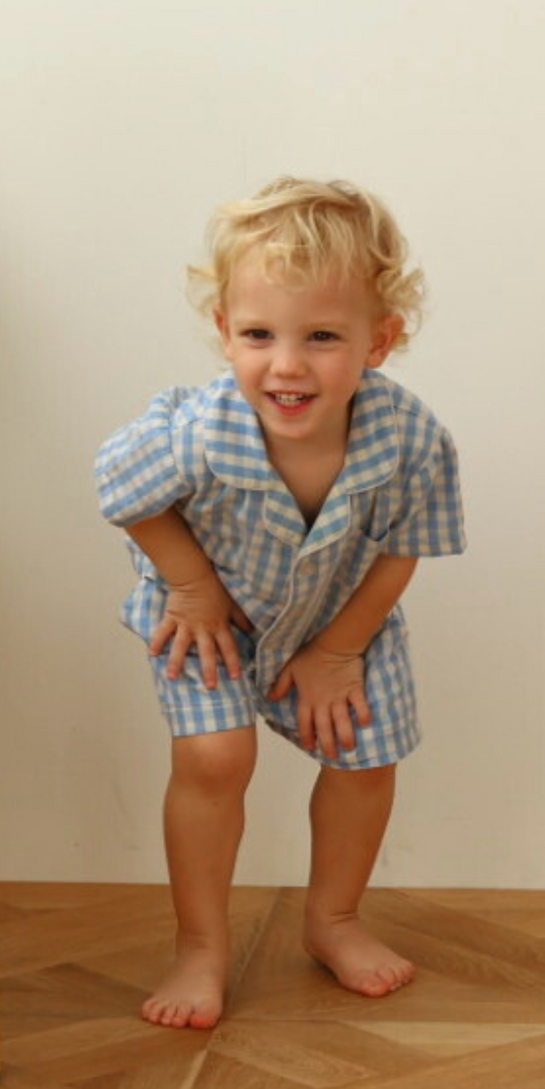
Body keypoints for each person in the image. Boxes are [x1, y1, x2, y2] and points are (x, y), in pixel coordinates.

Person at [94, 177, 465, 1029]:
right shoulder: (195, 429)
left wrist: (338, 650)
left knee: (365, 757)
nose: (287, 364)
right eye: (259, 334)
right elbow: (121, 487)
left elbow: (407, 544)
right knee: (214, 758)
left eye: (322, 336)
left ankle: (333, 919)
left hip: (341, 617)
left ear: (381, 339)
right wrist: (190, 585)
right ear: (224, 332)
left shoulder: (408, 437)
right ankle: (200, 947)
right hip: (209, 621)